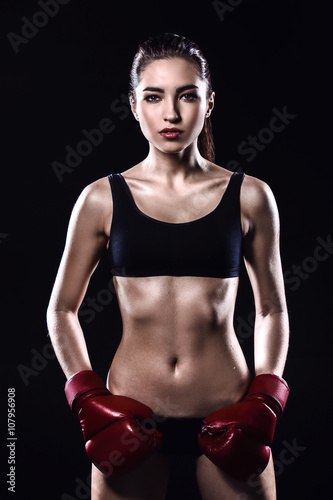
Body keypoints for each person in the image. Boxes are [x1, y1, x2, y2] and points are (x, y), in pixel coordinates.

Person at [46, 33, 290, 500]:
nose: (171, 114)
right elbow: (61, 310)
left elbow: (271, 310)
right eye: (154, 97)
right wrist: (88, 399)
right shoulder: (101, 198)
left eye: (187, 95)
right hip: (130, 416)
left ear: (209, 102)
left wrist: (265, 400)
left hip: (227, 413)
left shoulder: (251, 196)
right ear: (135, 106)